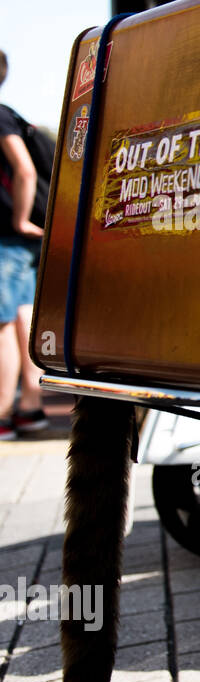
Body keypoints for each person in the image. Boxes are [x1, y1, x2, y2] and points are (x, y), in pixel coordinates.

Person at [0, 49, 47, 441]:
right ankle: (30, 407)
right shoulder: (11, 113)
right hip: (26, 239)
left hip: (10, 237)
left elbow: (25, 169)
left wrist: (19, 219)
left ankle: (1, 414)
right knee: (22, 319)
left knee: (2, 325)